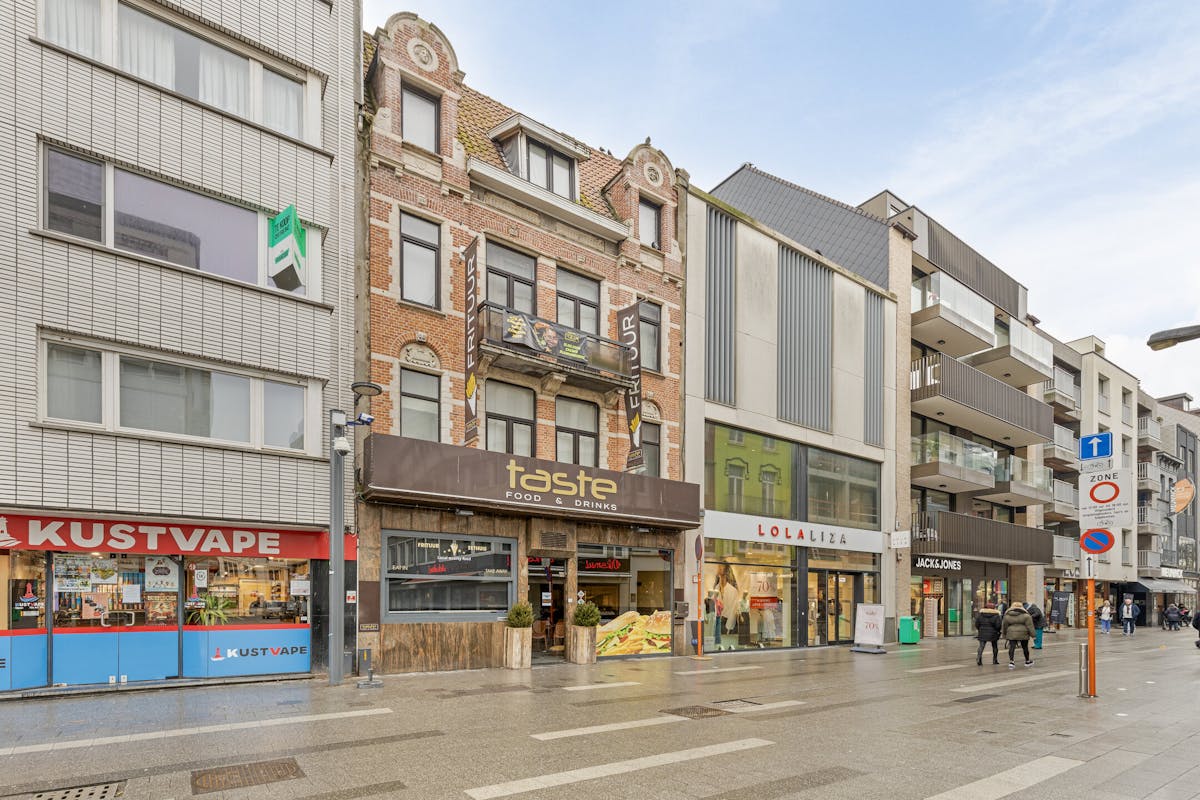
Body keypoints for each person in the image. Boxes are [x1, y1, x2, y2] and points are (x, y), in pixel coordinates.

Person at [1001, 601, 1035, 669]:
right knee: (1025, 647)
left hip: (1011, 633)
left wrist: (1004, 634)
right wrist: (1033, 635)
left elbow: (1004, 626)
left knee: (1012, 647)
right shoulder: (1026, 616)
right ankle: (1027, 661)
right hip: (1023, 633)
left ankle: (1011, 662)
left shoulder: (1007, 616)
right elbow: (1030, 626)